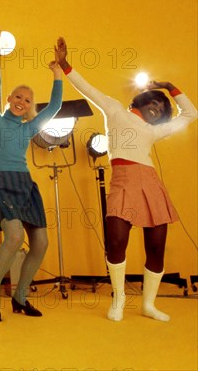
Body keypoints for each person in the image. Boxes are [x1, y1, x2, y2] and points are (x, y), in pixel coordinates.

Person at [55, 37, 197, 322]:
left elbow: (191, 113)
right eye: (155, 101)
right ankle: (118, 299)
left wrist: (169, 87)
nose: (159, 106)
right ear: (142, 101)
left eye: (163, 105)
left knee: (156, 245)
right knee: (117, 241)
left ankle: (148, 304)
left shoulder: (157, 131)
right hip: (123, 180)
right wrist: (64, 64)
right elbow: (88, 89)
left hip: (150, 182)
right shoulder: (115, 109)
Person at [0, 25, 63, 322]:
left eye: (28, 100)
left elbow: (55, 105)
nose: (22, 102)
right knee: (14, 235)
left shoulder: (29, 127)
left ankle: (20, 297)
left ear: (30, 107)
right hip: (2, 184)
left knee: (41, 243)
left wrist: (57, 72)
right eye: (18, 97)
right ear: (9, 100)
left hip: (26, 185)